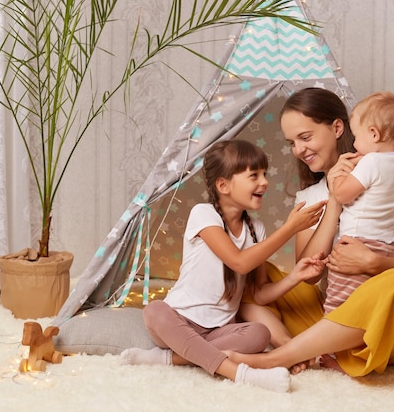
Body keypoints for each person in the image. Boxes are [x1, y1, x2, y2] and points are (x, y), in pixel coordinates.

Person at [235, 87, 394, 377]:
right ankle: (297, 350)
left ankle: (279, 357)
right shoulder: (308, 197)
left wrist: (375, 263)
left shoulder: (391, 178)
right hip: (333, 314)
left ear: (337, 128)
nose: (298, 150)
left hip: (387, 329)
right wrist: (333, 199)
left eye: (305, 137)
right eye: (292, 142)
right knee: (252, 275)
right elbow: (310, 276)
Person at [119, 139, 327, 393]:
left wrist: (295, 276)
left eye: (264, 174)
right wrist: (290, 228)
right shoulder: (203, 214)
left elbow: (260, 293)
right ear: (223, 185)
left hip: (218, 332)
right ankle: (240, 373)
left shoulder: (257, 229)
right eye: (254, 175)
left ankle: (167, 359)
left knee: (259, 333)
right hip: (178, 322)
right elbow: (239, 263)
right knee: (154, 310)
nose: (264, 182)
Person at [322, 91, 394, 314]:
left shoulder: (371, 161)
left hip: (358, 242)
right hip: (386, 245)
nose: (353, 144)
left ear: (373, 134)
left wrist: (334, 178)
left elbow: (343, 195)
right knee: (367, 305)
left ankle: (328, 347)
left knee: (338, 301)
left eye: (355, 137)